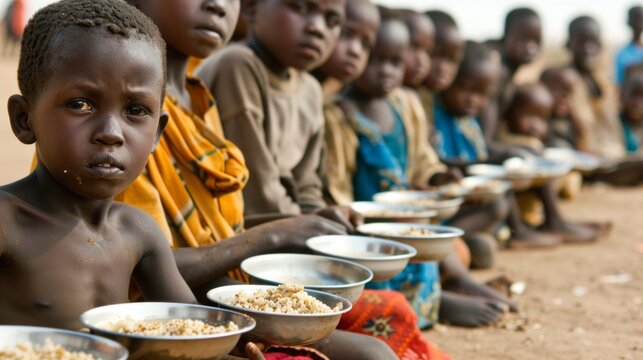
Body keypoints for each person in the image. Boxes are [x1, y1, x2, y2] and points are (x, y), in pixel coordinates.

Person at [122, 0, 393, 358]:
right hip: (164, 307)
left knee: (386, 320)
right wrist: (277, 231)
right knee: (373, 352)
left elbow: (223, 228)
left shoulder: (197, 99)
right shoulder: (129, 114)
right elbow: (138, 266)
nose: (217, 6)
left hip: (218, 282)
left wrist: (310, 223)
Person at [0, 0, 196, 330]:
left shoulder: (138, 232)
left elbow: (194, 331)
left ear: (156, 135)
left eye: (136, 110)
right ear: (25, 119)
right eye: (81, 104)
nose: (110, 133)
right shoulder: (7, 223)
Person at [197, 0, 358, 230]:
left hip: (282, 224)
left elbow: (306, 185)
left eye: (332, 21)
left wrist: (323, 215)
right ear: (251, 8)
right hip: (236, 228)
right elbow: (258, 196)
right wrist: (312, 225)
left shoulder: (310, 90)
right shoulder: (238, 66)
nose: (317, 28)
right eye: (300, 8)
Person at [437, 41, 603, 246]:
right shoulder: (439, 120)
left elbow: (479, 154)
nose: (473, 100)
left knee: (532, 160)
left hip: (476, 195)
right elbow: (442, 163)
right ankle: (509, 234)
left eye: (482, 95)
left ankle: (547, 223)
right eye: (466, 89)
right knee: (497, 202)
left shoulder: (468, 123)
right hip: (456, 199)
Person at [479, 8, 543, 159]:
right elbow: (484, 142)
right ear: (506, 36)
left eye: (536, 40)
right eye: (524, 39)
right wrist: (509, 152)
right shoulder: (496, 68)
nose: (531, 47)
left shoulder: (511, 71)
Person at [417, 10, 464, 135]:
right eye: (434, 55)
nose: (443, 68)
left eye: (452, 60)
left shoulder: (443, 105)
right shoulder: (407, 99)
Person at [540, 67, 588, 150]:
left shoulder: (571, 122)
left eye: (570, 93)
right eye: (558, 90)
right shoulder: (539, 120)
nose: (565, 98)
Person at [615, 6, 643, 86]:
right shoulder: (622, 53)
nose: (639, 24)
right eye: (636, 20)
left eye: (641, 20)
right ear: (629, 22)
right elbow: (619, 83)